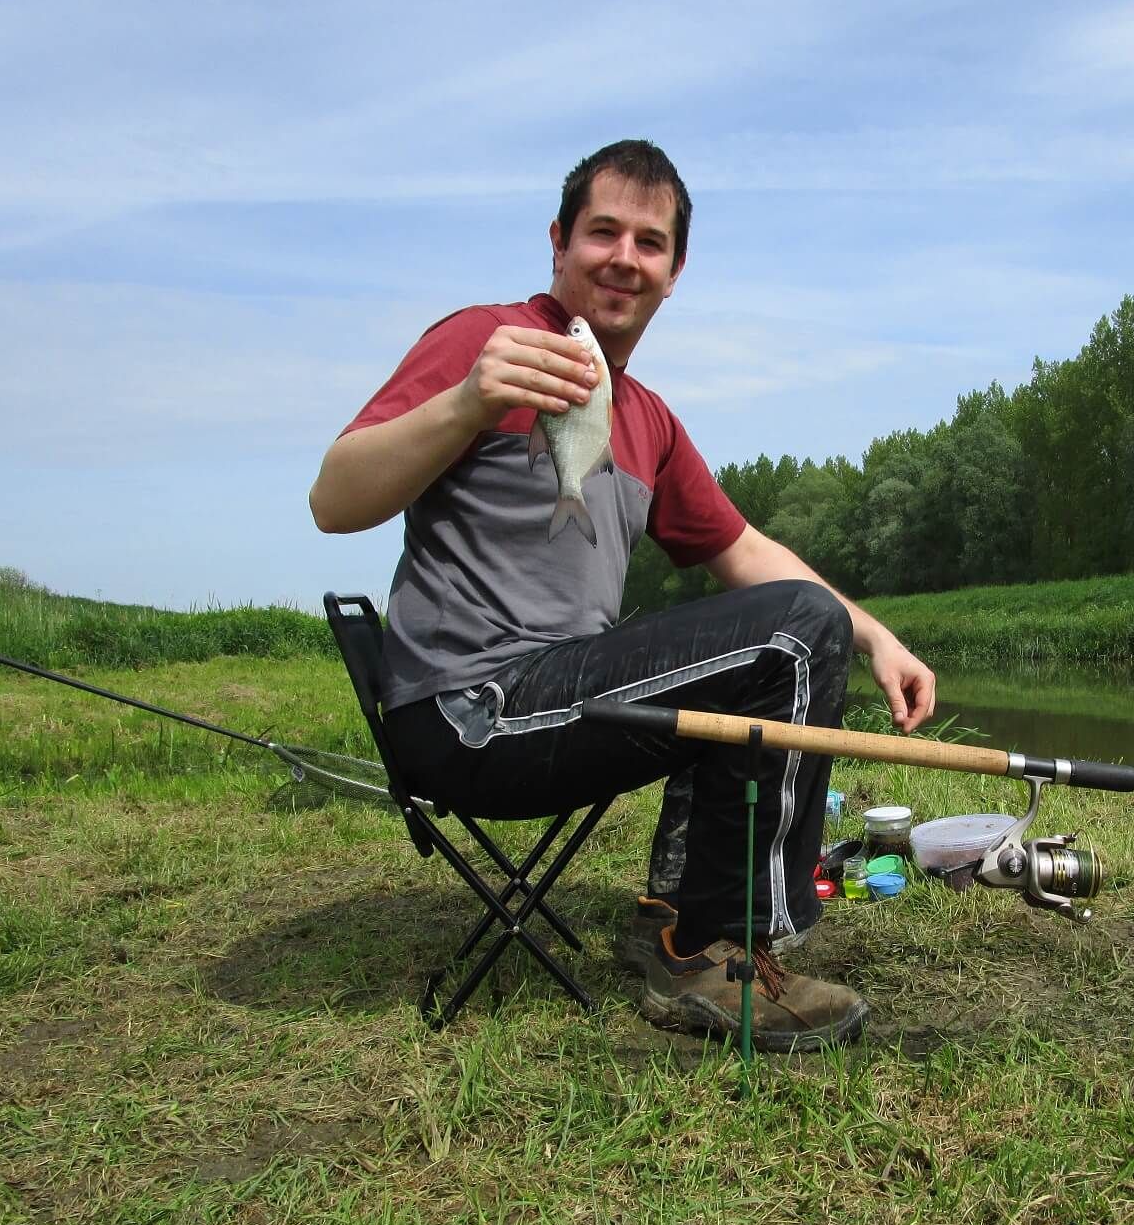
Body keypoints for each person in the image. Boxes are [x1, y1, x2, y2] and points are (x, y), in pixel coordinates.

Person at [310, 139, 935, 1050]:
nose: (623, 258)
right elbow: (334, 500)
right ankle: (725, 949)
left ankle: (678, 914)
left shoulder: (646, 419)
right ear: (559, 243)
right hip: (470, 713)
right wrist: (470, 404)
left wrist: (874, 636)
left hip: (558, 698)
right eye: (603, 232)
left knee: (760, 632)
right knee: (791, 636)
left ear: (675, 272)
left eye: (650, 242)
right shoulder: (482, 343)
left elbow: (745, 551)